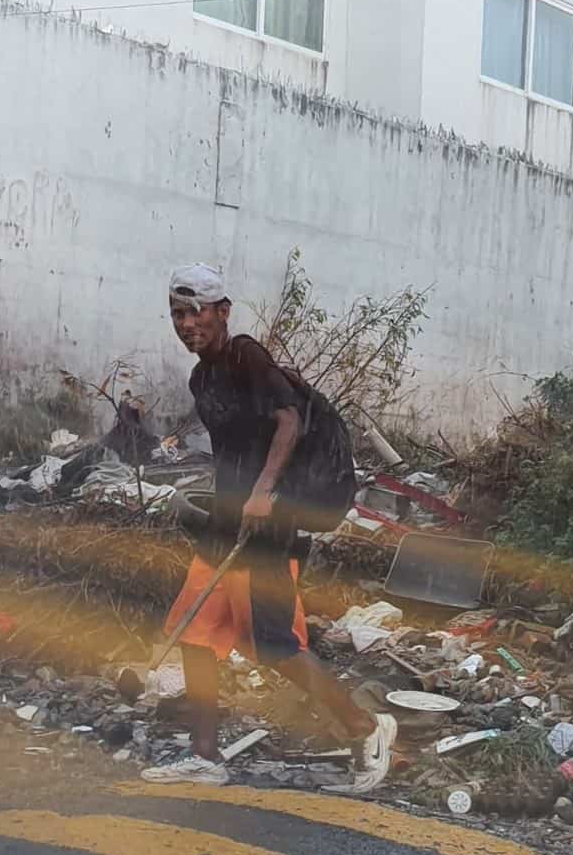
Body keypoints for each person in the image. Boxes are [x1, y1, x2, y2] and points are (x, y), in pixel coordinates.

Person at [141, 262, 397, 791]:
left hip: (267, 528)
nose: (186, 323)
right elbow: (233, 448)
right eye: (176, 314)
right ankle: (205, 758)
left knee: (274, 645)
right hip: (227, 526)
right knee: (195, 633)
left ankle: (367, 727)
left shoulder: (245, 356)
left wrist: (262, 492)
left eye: (195, 312)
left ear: (223, 312)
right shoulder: (202, 377)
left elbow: (289, 420)